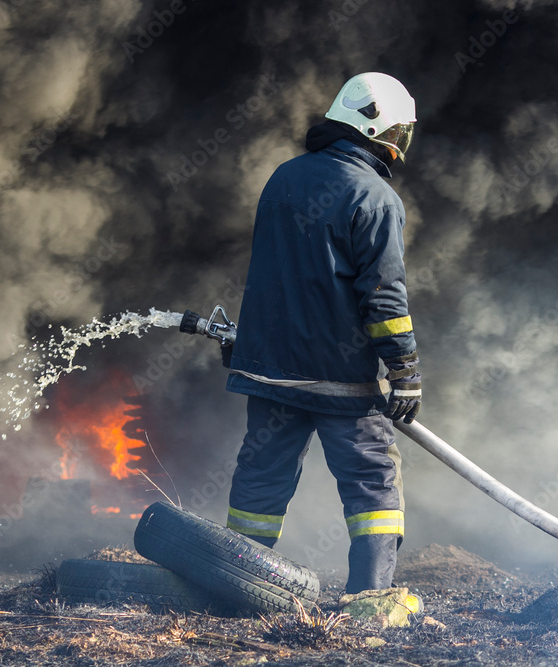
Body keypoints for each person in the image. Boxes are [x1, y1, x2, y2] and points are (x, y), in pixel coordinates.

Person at [222, 72, 420, 596]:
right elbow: (384, 298)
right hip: (341, 381)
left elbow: (275, 275)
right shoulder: (376, 197)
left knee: (260, 481)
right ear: (377, 130)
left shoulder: (284, 178)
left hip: (270, 373)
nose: (399, 144)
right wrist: (404, 369)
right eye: (398, 132)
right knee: (372, 484)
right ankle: (368, 598)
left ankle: (236, 587)